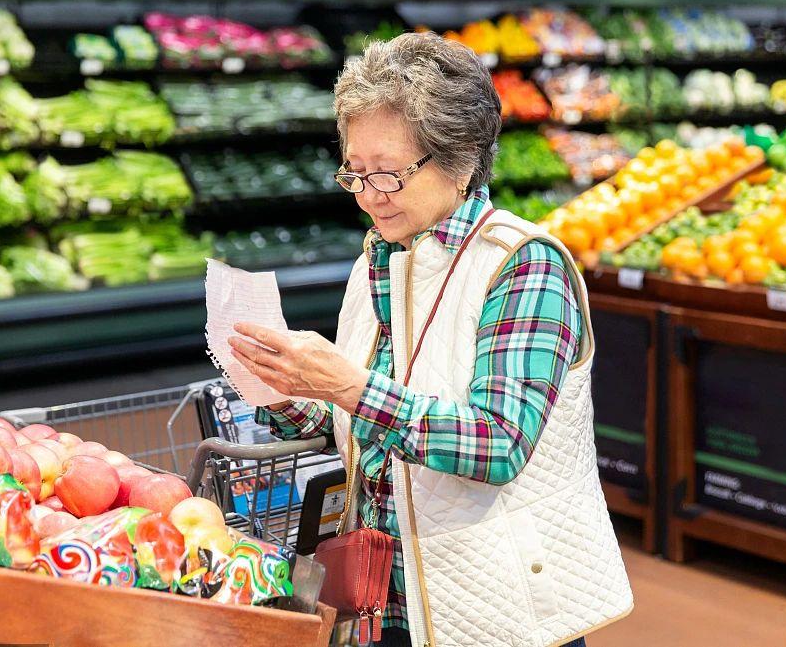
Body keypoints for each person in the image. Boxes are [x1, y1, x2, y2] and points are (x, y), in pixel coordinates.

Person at [229, 32, 632, 647]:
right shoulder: (379, 258)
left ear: (462, 160)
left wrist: (348, 386)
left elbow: (496, 443)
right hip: (389, 602)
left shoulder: (523, 265)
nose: (367, 195)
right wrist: (285, 386)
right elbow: (363, 415)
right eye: (354, 172)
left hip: (497, 609)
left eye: (387, 173)